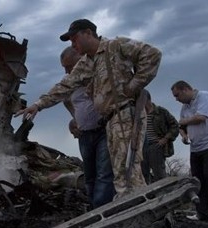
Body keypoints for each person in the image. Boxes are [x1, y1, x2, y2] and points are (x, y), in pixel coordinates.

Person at [15, 19, 162, 198]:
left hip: (125, 114)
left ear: (88, 33)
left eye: (74, 38)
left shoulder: (115, 46)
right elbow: (65, 86)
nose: (73, 43)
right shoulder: (86, 63)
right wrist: (38, 105)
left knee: (128, 171)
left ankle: (138, 213)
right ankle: (133, 211)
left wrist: (133, 86)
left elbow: (152, 54)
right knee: (121, 173)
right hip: (110, 120)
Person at [60, 46, 115, 209]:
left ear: (81, 59)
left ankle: (103, 211)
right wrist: (75, 120)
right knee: (89, 175)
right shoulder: (70, 83)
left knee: (104, 172)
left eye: (68, 66)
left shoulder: (98, 74)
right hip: (84, 135)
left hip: (104, 131)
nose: (66, 71)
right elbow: (66, 101)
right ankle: (94, 209)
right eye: (64, 67)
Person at [171, 80, 208, 222]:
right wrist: (184, 136)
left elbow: (201, 117)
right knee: (198, 181)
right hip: (196, 147)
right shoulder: (185, 106)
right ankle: (203, 212)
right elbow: (181, 126)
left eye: (177, 95)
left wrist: (183, 122)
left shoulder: (204, 96)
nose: (176, 99)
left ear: (185, 90)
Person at [141, 92, 179, 184]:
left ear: (147, 99)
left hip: (156, 146)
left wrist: (166, 138)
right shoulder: (139, 114)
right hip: (141, 147)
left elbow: (175, 126)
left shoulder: (160, 111)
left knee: (159, 174)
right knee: (143, 175)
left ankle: (165, 194)